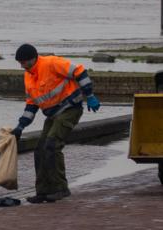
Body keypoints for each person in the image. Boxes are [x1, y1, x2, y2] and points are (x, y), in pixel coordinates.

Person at [11, 43, 100, 204]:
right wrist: (20, 126)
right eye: (20, 63)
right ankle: (43, 191)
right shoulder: (28, 76)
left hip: (70, 108)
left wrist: (90, 95)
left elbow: (79, 71)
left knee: (52, 144)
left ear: (33, 59)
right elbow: (32, 104)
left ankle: (60, 188)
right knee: (40, 150)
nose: (22, 66)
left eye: (24, 62)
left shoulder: (51, 63)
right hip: (52, 115)